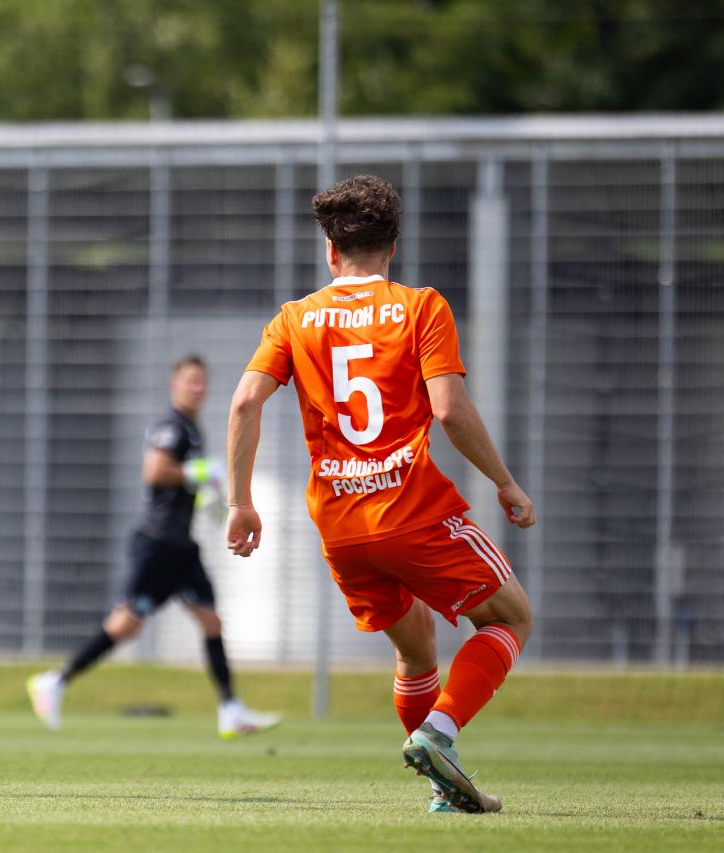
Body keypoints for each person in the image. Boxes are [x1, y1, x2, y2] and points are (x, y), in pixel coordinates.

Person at [225, 175, 535, 813]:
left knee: (416, 650)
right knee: (510, 617)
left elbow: (244, 403)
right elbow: (448, 410)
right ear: (393, 247)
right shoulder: (420, 307)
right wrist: (504, 482)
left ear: (331, 251)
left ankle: (444, 789)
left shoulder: (294, 319)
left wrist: (241, 502)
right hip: (412, 511)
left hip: (341, 527)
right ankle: (439, 734)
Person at [28, 356, 281, 739]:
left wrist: (214, 506)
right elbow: (155, 472)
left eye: (202, 382)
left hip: (181, 546)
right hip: (159, 544)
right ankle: (56, 681)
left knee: (211, 621)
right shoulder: (172, 427)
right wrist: (199, 472)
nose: (197, 388)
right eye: (190, 381)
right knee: (125, 624)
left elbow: (187, 487)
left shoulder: (192, 430)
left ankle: (230, 709)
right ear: (174, 385)